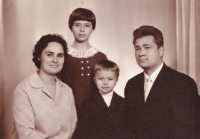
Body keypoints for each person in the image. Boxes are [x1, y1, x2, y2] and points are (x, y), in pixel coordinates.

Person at [124, 25, 200, 139]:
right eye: (137, 48)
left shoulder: (184, 83)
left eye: (147, 47)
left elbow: (191, 130)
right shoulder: (131, 85)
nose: (141, 53)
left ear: (161, 51)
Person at [12, 34, 77, 139]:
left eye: (60, 55)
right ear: (39, 56)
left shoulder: (67, 90)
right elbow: (26, 135)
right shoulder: (23, 90)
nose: (55, 60)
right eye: (49, 54)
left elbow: (73, 129)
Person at [58, 8, 107, 111]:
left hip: (95, 113)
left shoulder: (101, 57)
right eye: (77, 25)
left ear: (92, 29)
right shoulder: (62, 55)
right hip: (68, 110)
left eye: (87, 25)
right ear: (71, 28)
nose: (82, 29)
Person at [72, 60, 125, 139]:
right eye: (100, 78)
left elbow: (128, 131)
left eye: (110, 79)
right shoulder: (88, 103)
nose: (105, 83)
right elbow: (81, 132)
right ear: (94, 79)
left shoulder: (124, 103)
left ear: (116, 80)